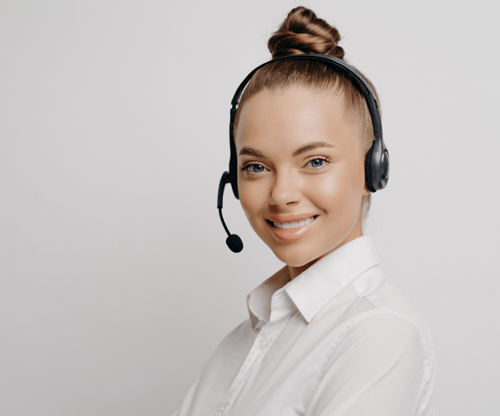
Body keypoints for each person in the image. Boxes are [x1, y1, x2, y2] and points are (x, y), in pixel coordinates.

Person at [173, 6, 436, 416]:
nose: (281, 194)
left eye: (315, 161)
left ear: (373, 169)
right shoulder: (241, 342)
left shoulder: (379, 332)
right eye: (256, 167)